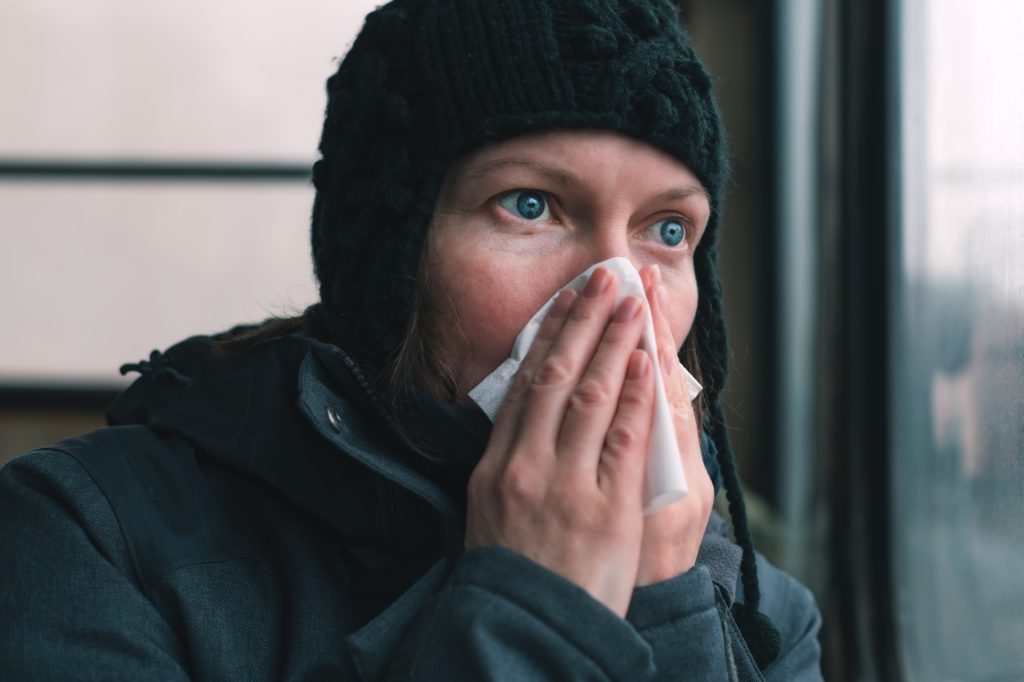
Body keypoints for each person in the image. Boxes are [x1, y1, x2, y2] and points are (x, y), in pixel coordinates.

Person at [0, 0, 822, 679]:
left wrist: (666, 604)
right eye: (530, 205)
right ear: (391, 255)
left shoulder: (766, 615)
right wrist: (533, 604)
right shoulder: (81, 536)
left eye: (667, 229)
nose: (617, 293)